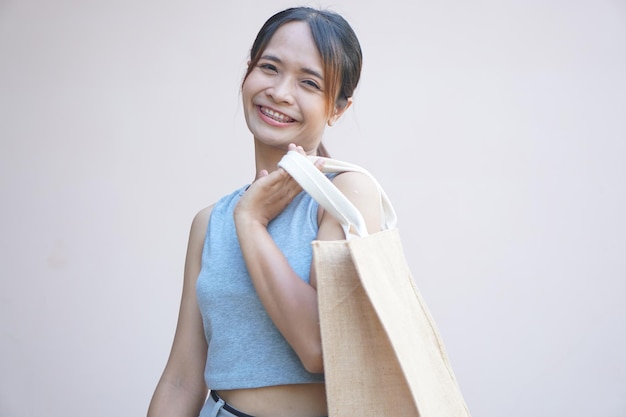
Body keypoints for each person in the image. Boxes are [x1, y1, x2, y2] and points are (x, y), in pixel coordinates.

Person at [147, 7, 382, 417]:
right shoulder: (209, 222)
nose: (280, 92)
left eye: (309, 82)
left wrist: (251, 222)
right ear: (248, 72)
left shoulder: (346, 195)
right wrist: (242, 215)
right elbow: (182, 378)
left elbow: (317, 347)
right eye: (269, 68)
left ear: (338, 108)